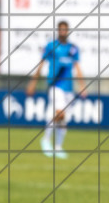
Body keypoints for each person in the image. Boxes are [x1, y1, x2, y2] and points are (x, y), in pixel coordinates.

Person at [26, 21, 86, 159]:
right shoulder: (51, 46)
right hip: (56, 85)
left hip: (68, 87)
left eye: (65, 30)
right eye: (61, 29)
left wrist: (82, 85)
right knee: (60, 113)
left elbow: (77, 67)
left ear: (68, 31)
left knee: (62, 119)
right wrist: (33, 83)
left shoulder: (73, 49)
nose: (63, 32)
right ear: (58, 31)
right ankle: (46, 139)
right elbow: (41, 64)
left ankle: (58, 147)